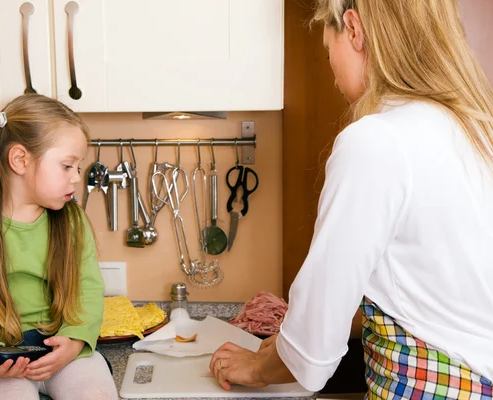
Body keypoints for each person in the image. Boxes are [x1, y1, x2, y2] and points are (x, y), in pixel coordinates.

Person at [210, 0, 493, 398]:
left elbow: (314, 349)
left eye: (329, 52)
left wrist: (258, 367)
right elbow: (422, 296)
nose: (333, 76)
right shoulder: (474, 130)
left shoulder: (377, 141)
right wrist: (290, 342)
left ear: (354, 28)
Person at [0, 94, 118, 400]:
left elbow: (87, 291)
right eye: (67, 166)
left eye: (78, 168)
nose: (76, 178)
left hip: (61, 350)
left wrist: (74, 341)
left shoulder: (72, 222)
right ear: (20, 160)